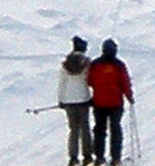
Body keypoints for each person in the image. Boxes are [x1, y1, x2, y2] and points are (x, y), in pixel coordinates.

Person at [86, 39, 133, 164]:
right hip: (115, 103)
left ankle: (99, 157)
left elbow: (90, 81)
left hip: (99, 102)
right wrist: (129, 96)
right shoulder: (119, 65)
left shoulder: (95, 64)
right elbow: (124, 83)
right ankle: (116, 158)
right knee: (115, 129)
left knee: (99, 130)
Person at [57, 36, 94, 166]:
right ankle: (87, 156)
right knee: (85, 128)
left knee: (73, 129)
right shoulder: (86, 63)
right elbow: (90, 80)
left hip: (69, 100)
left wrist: (61, 99)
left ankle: (73, 157)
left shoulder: (66, 63)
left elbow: (62, 83)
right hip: (83, 99)